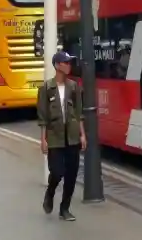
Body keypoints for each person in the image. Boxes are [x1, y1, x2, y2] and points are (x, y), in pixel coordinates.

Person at [37, 51, 86, 222]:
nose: (69, 65)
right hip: (55, 137)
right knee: (57, 172)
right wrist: (42, 139)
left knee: (72, 175)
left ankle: (64, 209)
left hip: (72, 136)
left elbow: (79, 113)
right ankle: (50, 193)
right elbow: (42, 116)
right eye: (66, 62)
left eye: (69, 62)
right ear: (57, 65)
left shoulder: (74, 87)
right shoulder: (46, 88)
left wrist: (83, 135)